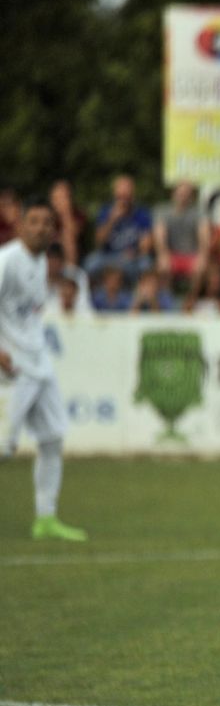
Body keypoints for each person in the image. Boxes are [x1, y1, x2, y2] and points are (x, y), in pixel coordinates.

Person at [0, 200, 88, 542]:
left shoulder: (41, 264)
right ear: (21, 226)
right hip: (12, 367)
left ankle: (46, 519)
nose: (40, 228)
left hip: (39, 362)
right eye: (33, 221)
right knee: (4, 449)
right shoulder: (6, 261)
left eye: (46, 223)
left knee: (52, 438)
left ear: (53, 230)